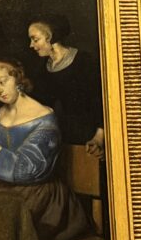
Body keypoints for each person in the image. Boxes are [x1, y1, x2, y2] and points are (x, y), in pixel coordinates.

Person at [0, 59, 90, 240]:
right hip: (7, 188)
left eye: (2, 82)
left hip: (41, 197)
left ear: (17, 77)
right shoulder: (3, 113)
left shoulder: (44, 120)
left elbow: (26, 170)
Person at [26, 15, 105, 158]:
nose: (31, 45)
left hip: (88, 138)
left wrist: (99, 137)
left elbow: (100, 101)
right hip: (59, 139)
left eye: (35, 39)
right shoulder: (43, 67)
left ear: (50, 37)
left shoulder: (83, 61)